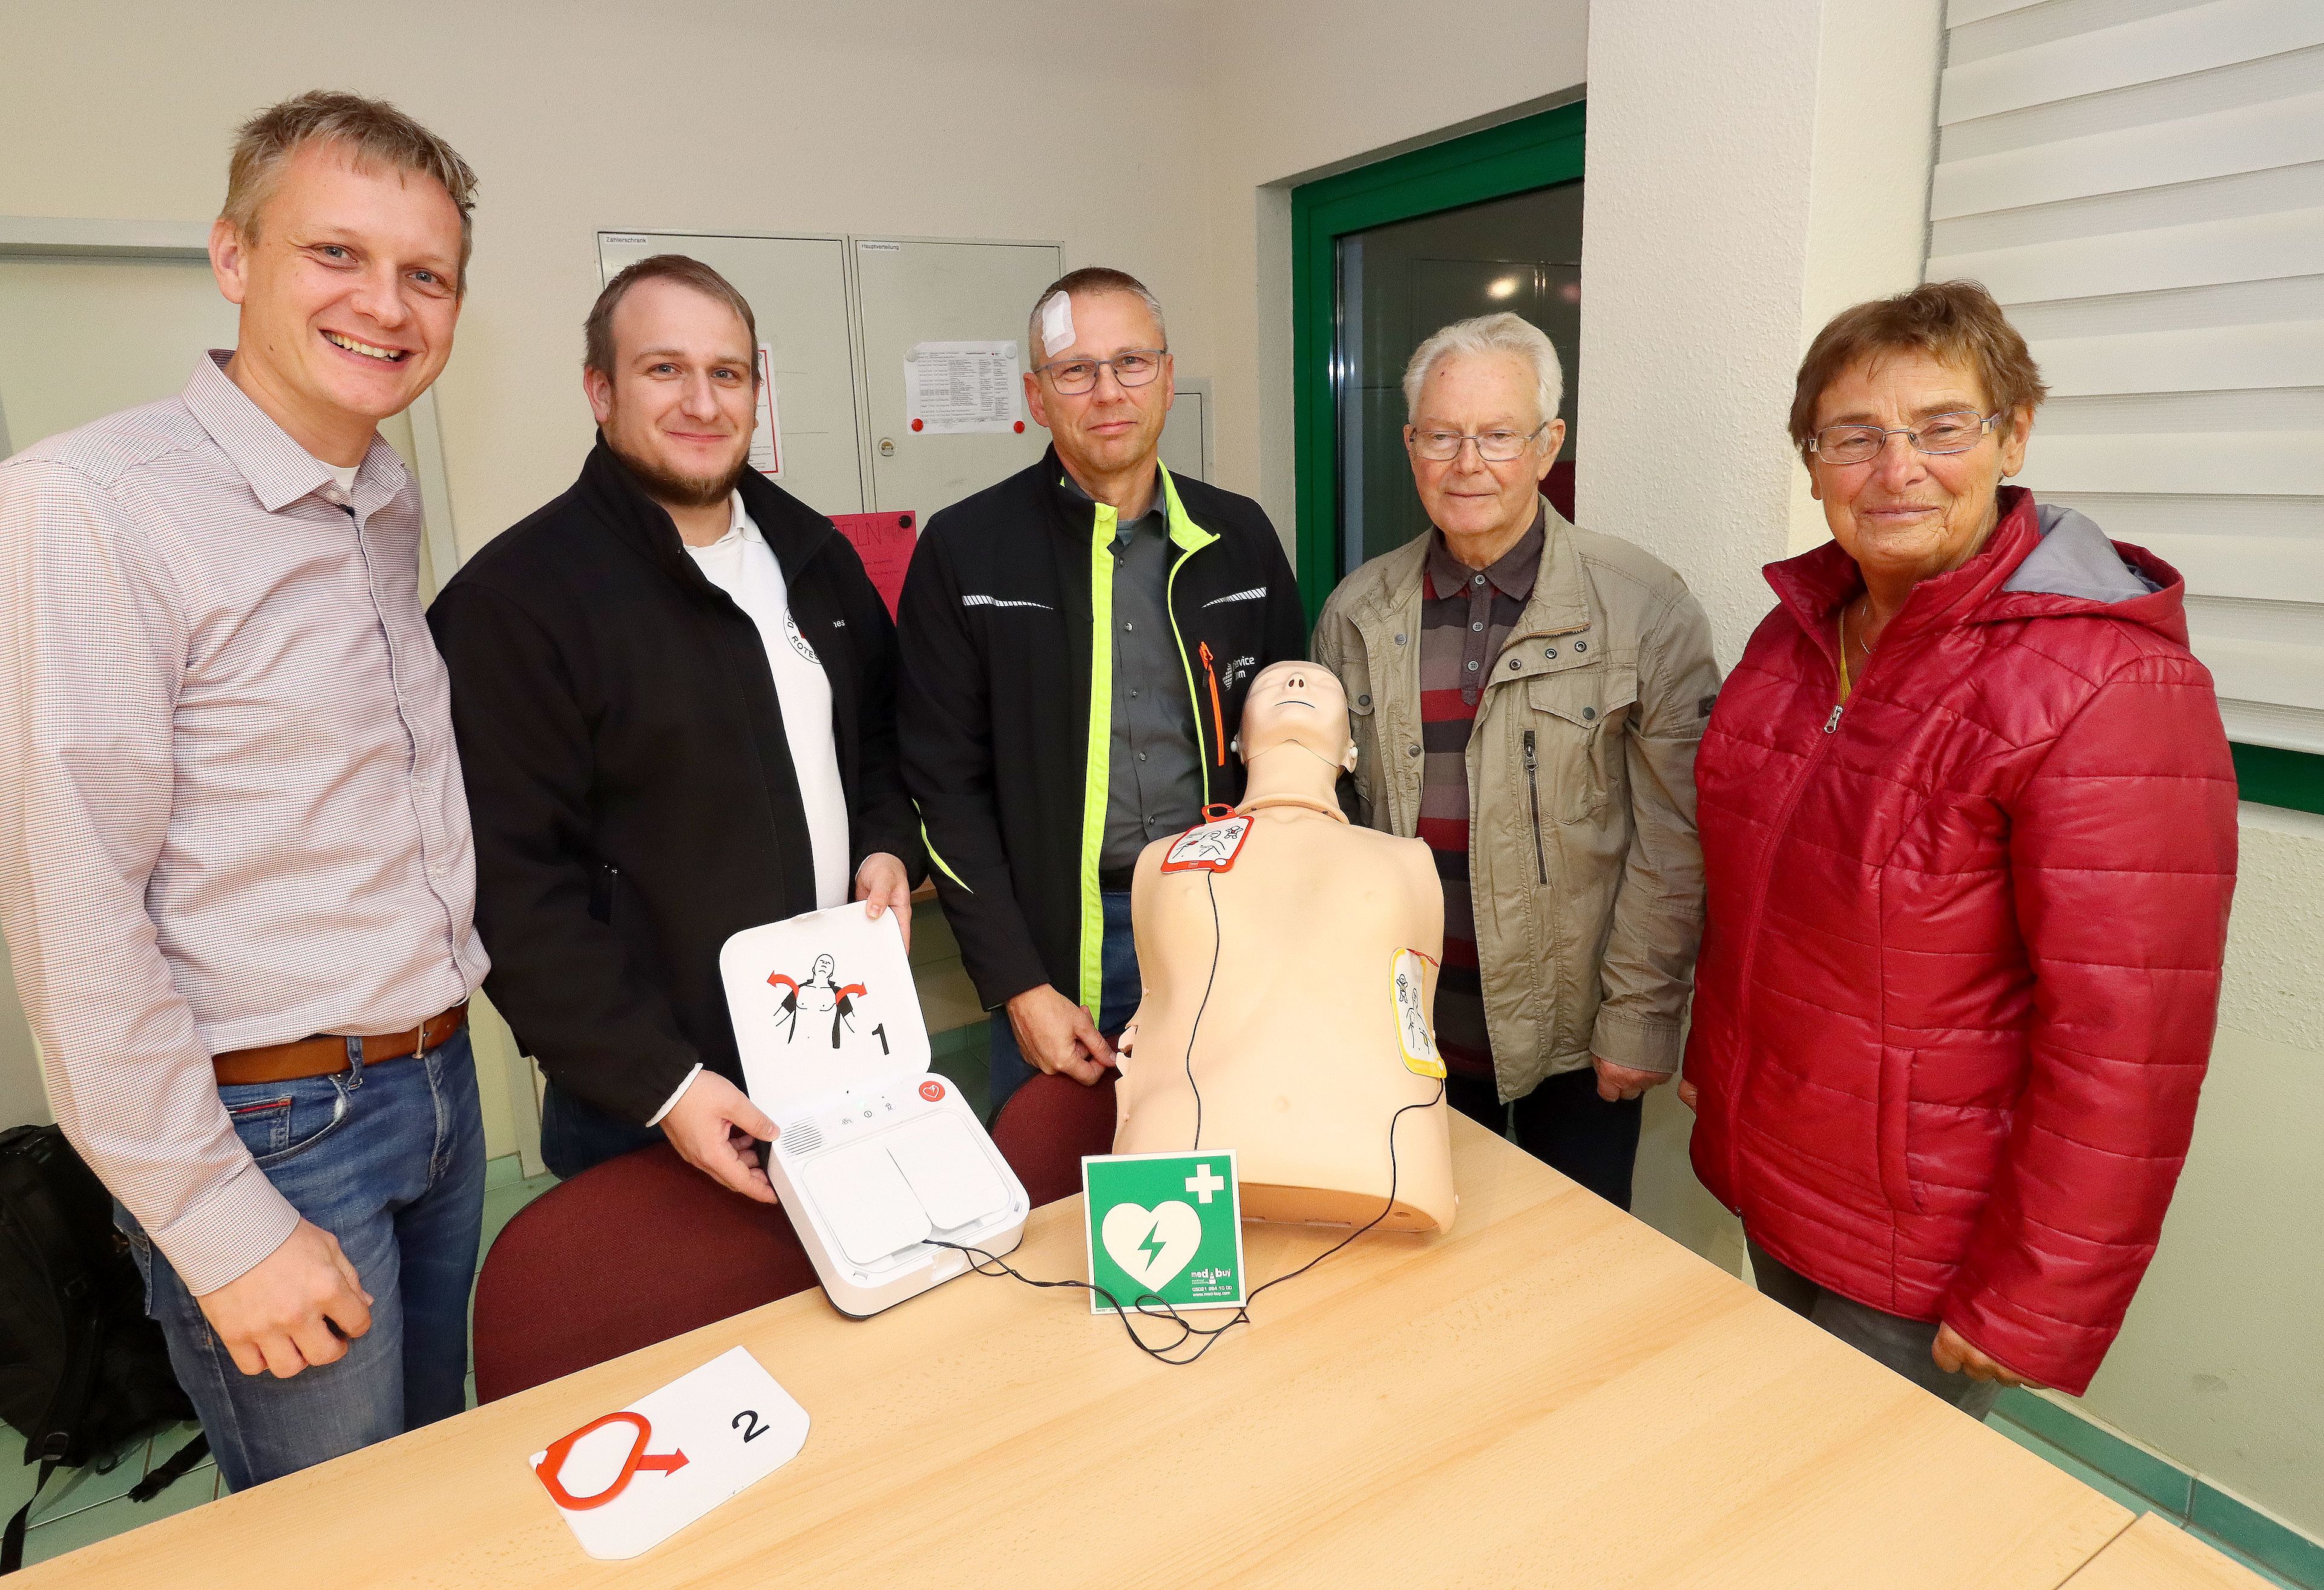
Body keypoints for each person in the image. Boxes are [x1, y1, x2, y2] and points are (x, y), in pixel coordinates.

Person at [0, 92, 487, 1491]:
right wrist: (215, 1223)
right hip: (273, 1131)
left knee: (427, 1480)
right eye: (335, 253)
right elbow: (72, 897)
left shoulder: (379, 491)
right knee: (330, 1533)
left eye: (425, 274)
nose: (384, 304)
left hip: (434, 1078)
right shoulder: (89, 503)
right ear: (233, 257)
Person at [1680, 280, 2237, 1413]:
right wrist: (1719, 1071)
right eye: (1855, 437)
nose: (1897, 470)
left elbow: (2126, 1038)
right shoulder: (1792, 642)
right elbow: (1760, 904)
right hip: (1778, 1178)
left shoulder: (2109, 685)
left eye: (1941, 427)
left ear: (2013, 432)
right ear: (1813, 461)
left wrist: (2036, 1294)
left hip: (1924, 1249)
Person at [431, 255, 920, 1194]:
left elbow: (881, 741)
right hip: (650, 1100)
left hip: (843, 1039)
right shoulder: (516, 605)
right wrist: (664, 1085)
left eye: (727, 373)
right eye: (665, 370)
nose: (702, 401)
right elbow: (510, 889)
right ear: (599, 392)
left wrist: (890, 844)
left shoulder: (816, 559)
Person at [1311, 313, 1719, 1211]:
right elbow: (1335, 832)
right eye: (1444, 436)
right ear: (1411, 445)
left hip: (1576, 1044)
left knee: (1567, 1288)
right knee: (1423, 1268)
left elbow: (1675, 840)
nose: (1469, 464)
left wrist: (1640, 1019)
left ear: (1548, 446)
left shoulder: (1644, 607)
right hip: (1411, 1036)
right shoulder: (1357, 612)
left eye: (1498, 435)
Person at [898, 267, 1305, 1117]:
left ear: (1165, 372)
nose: (1108, 391)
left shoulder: (1243, 540)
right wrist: (1017, 985)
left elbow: (1289, 749)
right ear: (1037, 397)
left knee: (1227, 1168)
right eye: (1075, 370)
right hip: (1060, 947)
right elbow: (945, 785)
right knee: (1061, 1188)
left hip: (1223, 927)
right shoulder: (966, 551)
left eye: (1131, 361)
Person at [1113, 661, 1454, 1232]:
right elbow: (1155, 1009)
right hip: (1177, 1159)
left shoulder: (1408, 861)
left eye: (1320, 684)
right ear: (1238, 742)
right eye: (1271, 682)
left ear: (1352, 750)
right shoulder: (1162, 859)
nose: (1295, 684)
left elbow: (1416, 1021)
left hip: (1382, 1155)